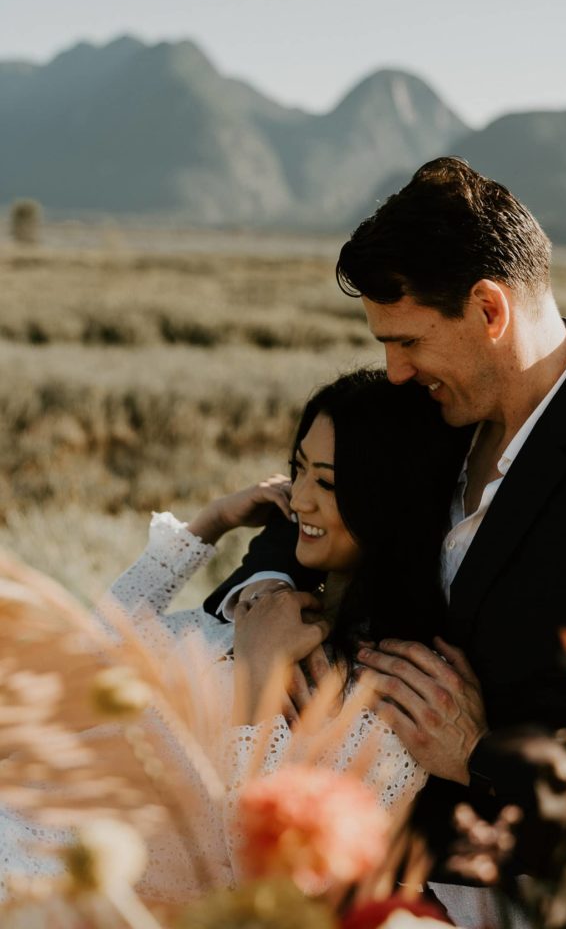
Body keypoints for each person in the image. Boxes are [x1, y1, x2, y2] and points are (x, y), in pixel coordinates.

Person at [207, 157, 566, 877]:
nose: (395, 371)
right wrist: (267, 593)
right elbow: (306, 513)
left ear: (489, 310)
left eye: (408, 341)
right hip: (334, 859)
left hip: (502, 889)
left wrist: (477, 755)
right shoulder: (426, 408)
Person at [0, 369, 468, 904]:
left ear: (391, 499)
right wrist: (207, 526)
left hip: (55, 900)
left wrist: (258, 681)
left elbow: (268, 874)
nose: (303, 501)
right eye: (299, 471)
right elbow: (93, 663)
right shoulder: (267, 608)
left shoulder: (392, 687)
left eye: (329, 482)